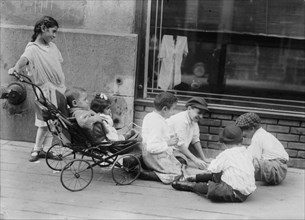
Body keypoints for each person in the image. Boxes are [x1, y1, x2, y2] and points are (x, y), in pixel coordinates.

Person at [8, 16, 65, 162]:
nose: (54, 35)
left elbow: (57, 63)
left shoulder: (53, 47)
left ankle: (45, 150)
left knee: (54, 121)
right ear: (43, 28)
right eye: (53, 31)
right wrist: (16, 67)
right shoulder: (33, 48)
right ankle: (37, 149)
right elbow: (24, 59)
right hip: (45, 91)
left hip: (58, 89)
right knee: (44, 121)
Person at [172, 124, 256, 203]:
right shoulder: (247, 152)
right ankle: (192, 178)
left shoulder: (226, 154)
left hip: (234, 192)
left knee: (213, 186)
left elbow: (212, 168)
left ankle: (191, 185)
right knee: (219, 174)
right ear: (242, 140)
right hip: (246, 192)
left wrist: (206, 164)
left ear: (224, 142)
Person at [141, 92, 184, 184]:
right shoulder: (157, 123)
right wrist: (168, 143)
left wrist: (169, 139)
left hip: (157, 153)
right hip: (153, 155)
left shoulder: (151, 116)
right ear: (165, 109)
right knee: (177, 174)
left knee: (180, 164)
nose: (173, 112)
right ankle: (147, 174)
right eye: (173, 109)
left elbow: (158, 137)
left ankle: (153, 170)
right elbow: (151, 147)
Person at [235, 112, 289, 185]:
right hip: (278, 168)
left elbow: (253, 157)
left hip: (276, 170)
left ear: (252, 128)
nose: (242, 134)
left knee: (246, 160)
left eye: (242, 130)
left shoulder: (258, 138)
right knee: (244, 156)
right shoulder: (262, 134)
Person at [167, 97, 212, 169]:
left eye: (203, 114)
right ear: (189, 109)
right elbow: (180, 145)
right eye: (199, 113)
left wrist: (204, 158)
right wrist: (195, 160)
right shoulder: (181, 120)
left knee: (187, 162)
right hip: (168, 150)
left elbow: (196, 140)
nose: (201, 116)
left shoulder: (193, 120)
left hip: (179, 151)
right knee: (182, 163)